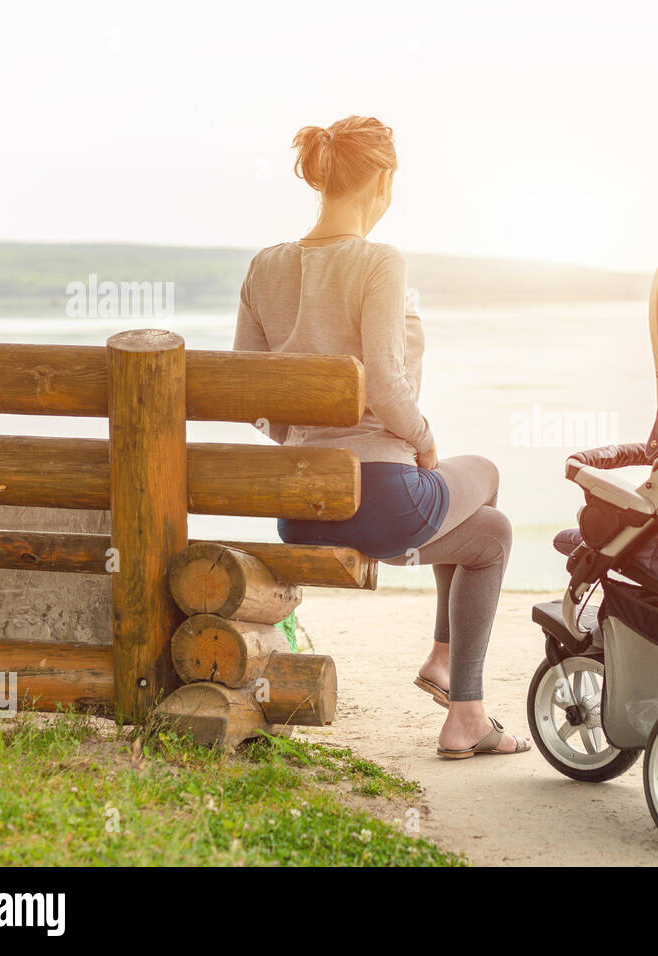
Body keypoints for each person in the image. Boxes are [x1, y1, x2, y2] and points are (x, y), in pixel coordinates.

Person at [233, 115, 529, 758]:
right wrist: (424, 442)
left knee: (491, 533)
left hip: (301, 513)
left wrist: (300, 442)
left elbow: (248, 400)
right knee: (487, 480)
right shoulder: (378, 262)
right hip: (382, 503)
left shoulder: (264, 268)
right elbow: (388, 389)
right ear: (384, 180)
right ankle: (456, 691)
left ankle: (456, 687)